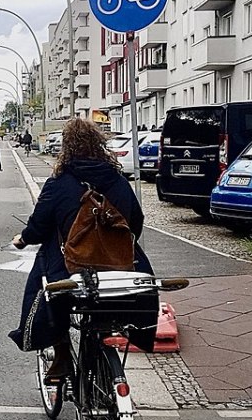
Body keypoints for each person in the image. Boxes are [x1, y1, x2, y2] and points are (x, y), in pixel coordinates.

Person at [9, 118, 152, 382]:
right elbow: (135, 221)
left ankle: (61, 355)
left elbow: (39, 227)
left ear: (67, 147)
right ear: (99, 144)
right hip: (119, 266)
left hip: (73, 266)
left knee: (46, 286)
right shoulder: (117, 180)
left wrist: (23, 239)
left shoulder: (59, 183)